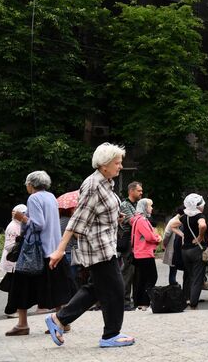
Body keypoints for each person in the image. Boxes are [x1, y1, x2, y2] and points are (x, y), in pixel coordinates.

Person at [46, 143, 135, 347]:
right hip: (98, 248)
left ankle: (59, 319)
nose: (120, 166)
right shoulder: (94, 184)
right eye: (117, 162)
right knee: (115, 289)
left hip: (105, 244)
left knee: (96, 288)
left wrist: (115, 217)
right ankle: (110, 335)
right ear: (104, 165)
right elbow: (77, 219)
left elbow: (99, 211)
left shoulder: (106, 182)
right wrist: (60, 250)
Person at [5, 171, 73, 337]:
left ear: (31, 184)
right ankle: (63, 322)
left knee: (21, 286)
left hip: (36, 251)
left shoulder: (34, 198)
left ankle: (22, 324)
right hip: (54, 248)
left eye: (27, 184)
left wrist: (23, 218)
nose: (26, 186)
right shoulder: (51, 197)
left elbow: (38, 224)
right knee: (55, 287)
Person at [174, 193, 208, 310]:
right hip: (196, 250)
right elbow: (202, 226)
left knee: (191, 276)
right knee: (198, 278)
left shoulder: (184, 216)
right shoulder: (200, 216)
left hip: (185, 250)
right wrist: (200, 237)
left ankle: (187, 299)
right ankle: (193, 304)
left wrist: (182, 235)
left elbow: (172, 226)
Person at [131, 199, 161, 310]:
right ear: (144, 207)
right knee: (152, 277)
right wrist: (158, 238)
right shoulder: (142, 220)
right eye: (150, 206)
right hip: (144, 253)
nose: (152, 208)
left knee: (142, 279)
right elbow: (149, 236)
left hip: (140, 253)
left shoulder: (138, 219)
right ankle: (145, 302)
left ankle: (140, 303)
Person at [0, 204, 28, 318]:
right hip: (13, 261)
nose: (25, 216)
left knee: (14, 286)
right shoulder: (13, 226)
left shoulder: (18, 225)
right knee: (15, 287)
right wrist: (20, 242)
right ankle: (11, 310)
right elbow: (9, 246)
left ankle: (12, 309)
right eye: (23, 213)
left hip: (14, 261)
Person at [119, 181, 143, 311]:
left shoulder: (136, 205)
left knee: (136, 272)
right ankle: (124, 302)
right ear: (131, 191)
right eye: (139, 191)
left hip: (136, 241)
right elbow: (133, 221)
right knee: (127, 272)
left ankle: (134, 300)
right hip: (128, 241)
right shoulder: (125, 205)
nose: (141, 193)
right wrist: (142, 218)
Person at [162, 209, 184, 286]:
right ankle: (173, 287)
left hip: (174, 247)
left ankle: (173, 286)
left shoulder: (174, 220)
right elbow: (167, 234)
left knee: (172, 268)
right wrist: (164, 244)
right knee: (173, 268)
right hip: (174, 247)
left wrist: (165, 244)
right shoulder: (175, 221)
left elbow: (166, 235)